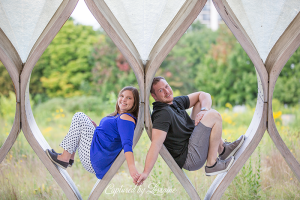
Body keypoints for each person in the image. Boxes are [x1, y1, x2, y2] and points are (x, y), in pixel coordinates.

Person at [136, 77, 245, 185]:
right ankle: (212, 164)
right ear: (154, 96)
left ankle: (223, 149)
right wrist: (146, 172)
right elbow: (156, 144)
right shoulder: (162, 114)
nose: (167, 91)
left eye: (167, 86)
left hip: (192, 143)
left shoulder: (174, 103)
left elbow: (203, 94)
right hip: (190, 157)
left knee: (200, 104)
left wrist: (204, 110)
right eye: (161, 90)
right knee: (214, 116)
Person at [46, 86, 140, 182]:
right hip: (95, 152)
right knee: (82, 118)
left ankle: (65, 158)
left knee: (79, 117)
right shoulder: (119, 116)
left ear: (135, 102)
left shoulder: (126, 119)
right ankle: (69, 157)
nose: (124, 99)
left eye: (129, 98)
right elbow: (110, 136)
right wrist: (95, 128)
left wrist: (132, 167)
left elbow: (127, 144)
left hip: (95, 158)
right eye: (122, 96)